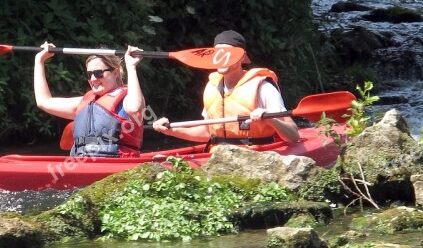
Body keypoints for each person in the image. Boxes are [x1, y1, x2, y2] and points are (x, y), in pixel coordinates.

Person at [152, 30, 299, 145]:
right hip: (219, 156)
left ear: (242, 57)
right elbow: (208, 133)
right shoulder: (212, 87)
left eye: (228, 54)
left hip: (256, 156)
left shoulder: (263, 88)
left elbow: (293, 136)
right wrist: (171, 130)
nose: (222, 59)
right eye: (218, 54)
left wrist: (270, 119)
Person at [34, 42, 146, 157]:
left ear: (115, 73)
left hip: (117, 164)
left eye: (98, 73)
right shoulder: (84, 103)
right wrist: (39, 61)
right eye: (89, 74)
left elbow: (136, 109)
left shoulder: (127, 100)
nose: (93, 79)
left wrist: (131, 67)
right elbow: (43, 101)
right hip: (82, 164)